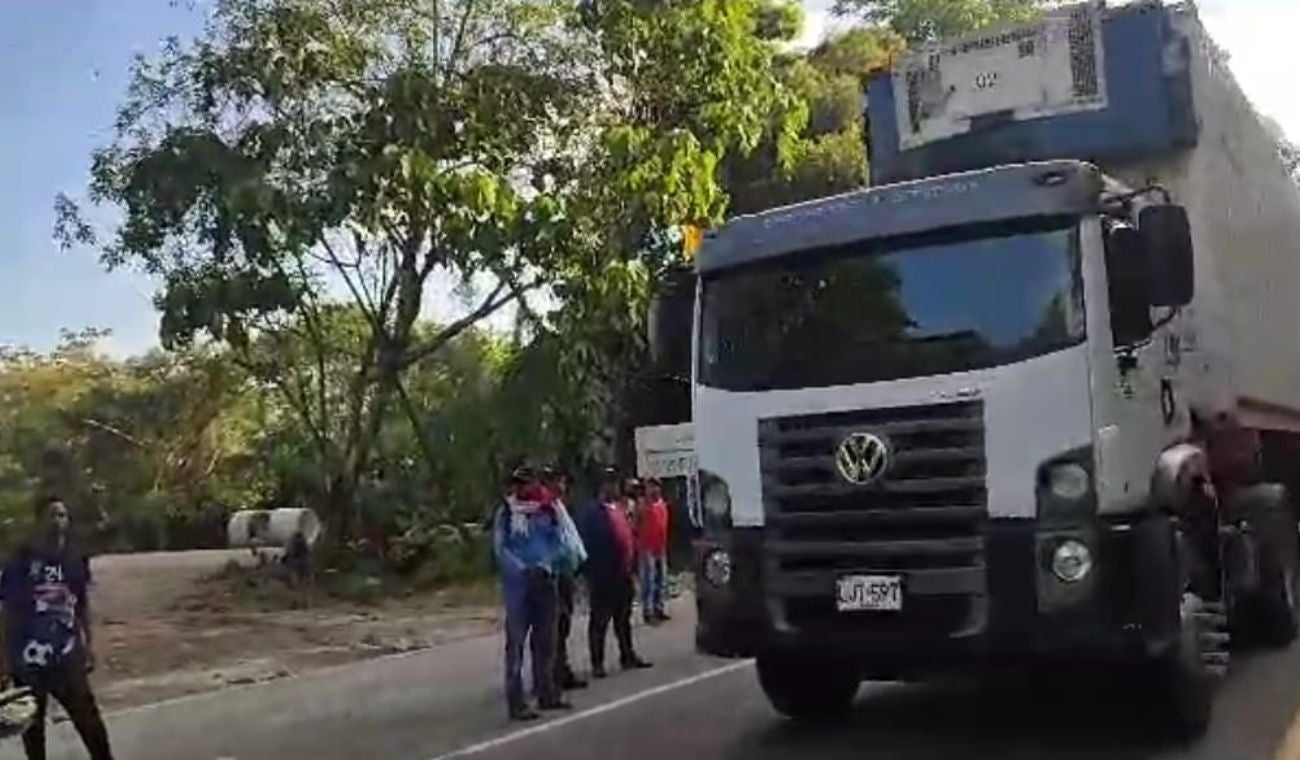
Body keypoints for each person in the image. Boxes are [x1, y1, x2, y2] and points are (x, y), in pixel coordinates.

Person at [0, 496, 115, 760]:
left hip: (67, 656)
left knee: (90, 722)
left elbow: (81, 604)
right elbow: (7, 612)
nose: (57, 521)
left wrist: (89, 643)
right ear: (38, 521)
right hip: (28, 661)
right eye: (51, 515)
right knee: (33, 731)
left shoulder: (74, 559)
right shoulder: (21, 560)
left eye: (62, 515)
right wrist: (4, 660)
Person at [492, 468, 571, 720]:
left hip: (545, 578)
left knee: (546, 640)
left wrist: (549, 562)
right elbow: (500, 547)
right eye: (518, 484)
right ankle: (516, 701)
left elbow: (560, 541)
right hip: (519, 585)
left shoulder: (546, 509)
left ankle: (546, 691)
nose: (522, 488)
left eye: (526, 483)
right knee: (516, 642)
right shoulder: (507, 512)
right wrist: (519, 567)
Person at [577, 469, 652, 679]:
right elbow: (587, 542)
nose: (613, 488)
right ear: (602, 487)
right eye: (609, 483)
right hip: (603, 573)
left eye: (615, 483)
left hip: (623, 570)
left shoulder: (619, 509)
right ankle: (597, 662)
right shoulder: (592, 512)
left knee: (623, 617)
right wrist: (590, 569)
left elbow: (629, 535)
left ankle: (627, 654)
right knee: (600, 619)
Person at [541, 467, 588, 691]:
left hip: (566, 571)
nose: (562, 485)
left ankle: (561, 669)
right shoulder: (546, 507)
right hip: (556, 573)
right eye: (558, 481)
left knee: (563, 624)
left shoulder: (558, 505)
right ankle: (554, 674)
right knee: (556, 625)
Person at [636, 478, 672, 624]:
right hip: (647, 547)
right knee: (648, 580)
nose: (653, 490)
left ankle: (659, 608)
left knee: (661, 579)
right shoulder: (643, 505)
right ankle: (648, 611)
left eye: (656, 486)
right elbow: (635, 524)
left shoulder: (662, 504)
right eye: (650, 487)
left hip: (660, 546)